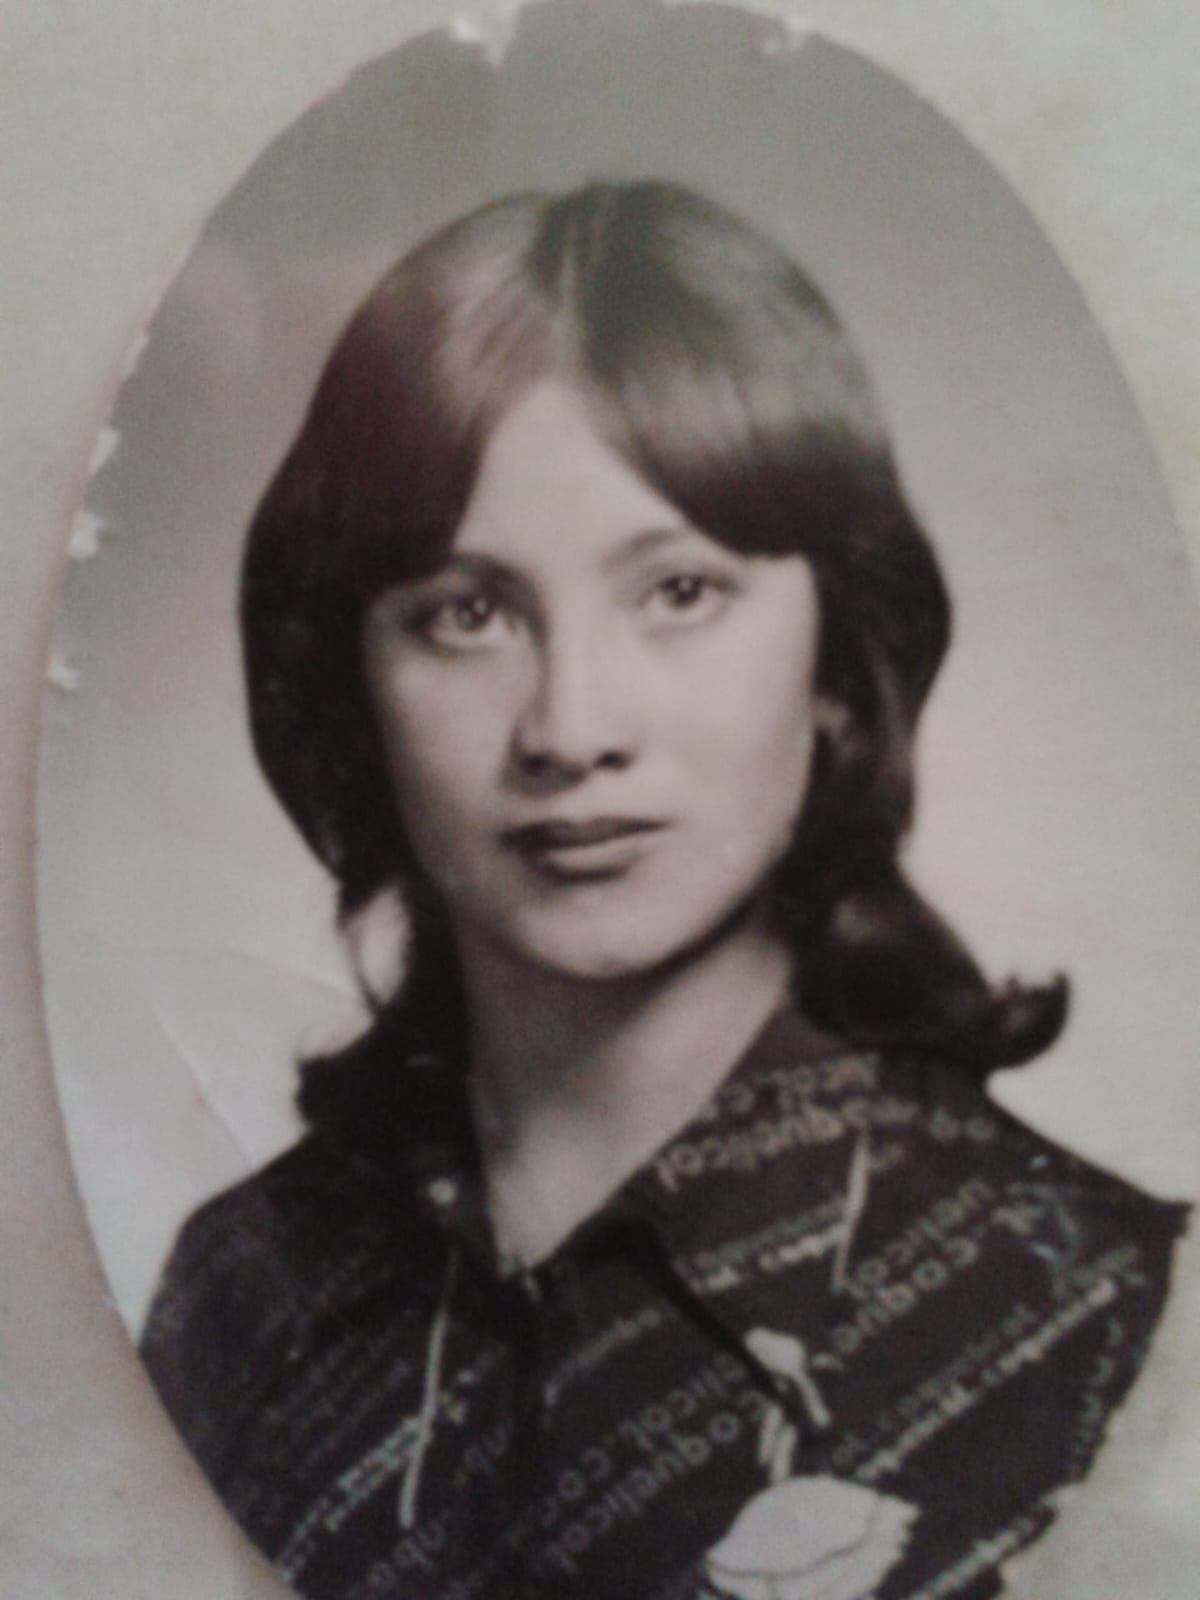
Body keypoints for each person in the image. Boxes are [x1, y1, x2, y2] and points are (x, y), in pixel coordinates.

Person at [140, 180, 1187, 1600]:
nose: (570, 729)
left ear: (836, 660)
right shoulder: (244, 1301)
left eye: (679, 592)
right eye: (467, 613)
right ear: (349, 686)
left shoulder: (1099, 1315)